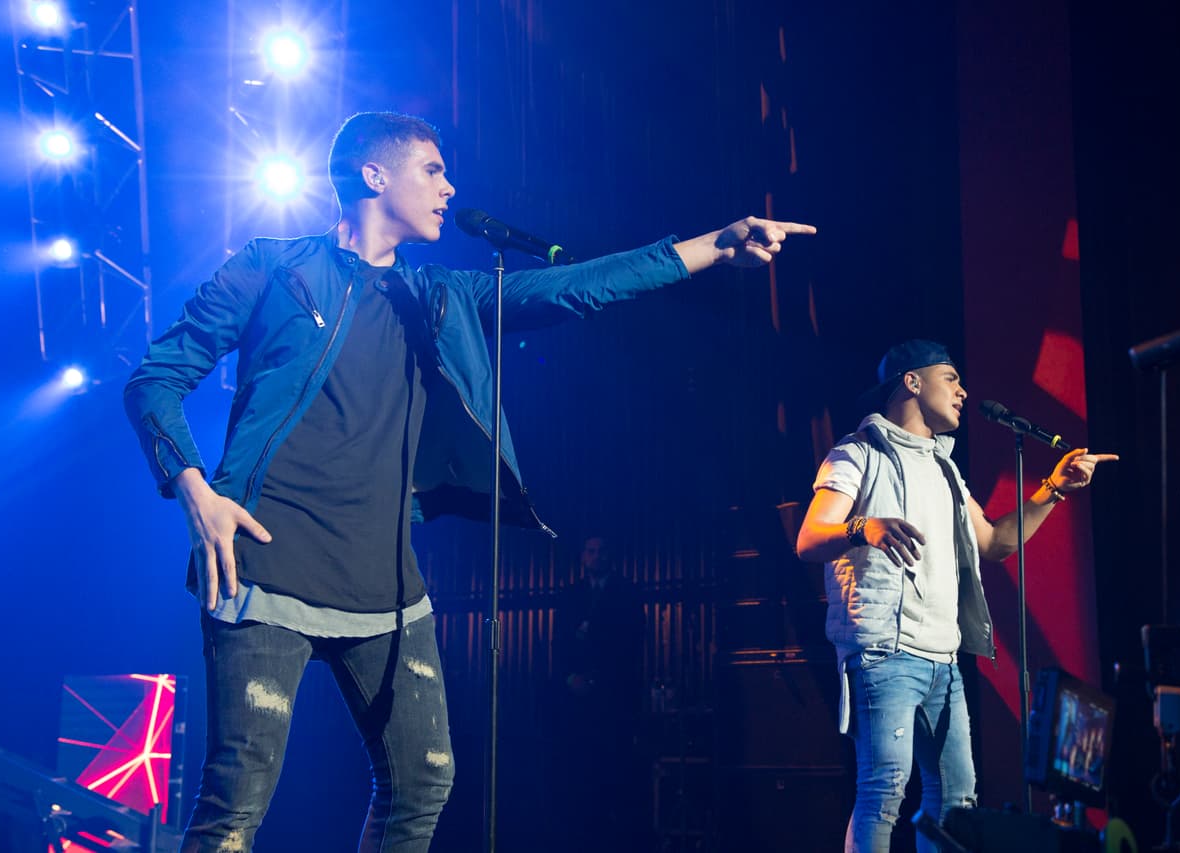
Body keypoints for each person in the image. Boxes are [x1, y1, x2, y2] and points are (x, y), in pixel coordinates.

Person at [123, 111, 814, 852]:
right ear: (373, 175)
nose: (450, 189)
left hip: (386, 585)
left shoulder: (440, 296)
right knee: (236, 802)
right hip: (263, 565)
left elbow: (576, 287)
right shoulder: (275, 267)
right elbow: (156, 378)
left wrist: (712, 246)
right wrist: (194, 488)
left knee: (423, 783)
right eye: (433, 170)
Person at [794, 339, 1116, 853]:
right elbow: (809, 539)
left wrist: (1052, 489)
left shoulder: (945, 469)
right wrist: (864, 526)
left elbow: (995, 542)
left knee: (957, 800)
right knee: (884, 793)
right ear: (912, 382)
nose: (964, 391)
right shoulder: (858, 452)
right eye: (951, 378)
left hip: (943, 658)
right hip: (884, 650)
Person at [550, 536, 647, 852]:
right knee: (580, 777)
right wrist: (569, 678)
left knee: (614, 774)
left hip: (614, 700)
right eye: (591, 551)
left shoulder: (628, 594)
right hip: (576, 705)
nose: (596, 556)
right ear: (583, 557)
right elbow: (558, 644)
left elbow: (632, 646)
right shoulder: (570, 595)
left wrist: (600, 679)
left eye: (602, 551)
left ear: (611, 556)